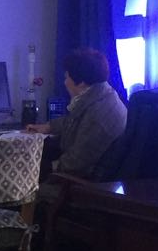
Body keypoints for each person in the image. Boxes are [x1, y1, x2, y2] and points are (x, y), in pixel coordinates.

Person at [25, 47, 127, 179]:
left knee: (25, 167)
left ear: (81, 82)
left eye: (67, 78)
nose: (65, 83)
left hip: (83, 180)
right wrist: (48, 127)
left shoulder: (97, 116)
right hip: (84, 167)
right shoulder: (103, 95)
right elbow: (74, 119)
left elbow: (75, 163)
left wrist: (39, 169)